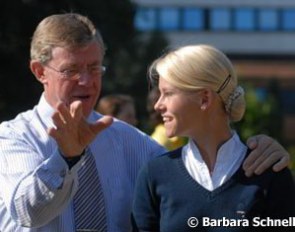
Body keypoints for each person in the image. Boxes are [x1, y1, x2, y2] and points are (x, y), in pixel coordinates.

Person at [0, 13, 290, 232]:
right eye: (71, 70)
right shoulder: (13, 139)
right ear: (40, 71)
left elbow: (196, 173)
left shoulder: (131, 143)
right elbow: (28, 214)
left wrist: (262, 149)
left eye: (93, 67)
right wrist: (66, 158)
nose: (86, 81)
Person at [132, 45, 295, 232]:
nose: (157, 105)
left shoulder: (271, 174)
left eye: (167, 93)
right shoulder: (154, 175)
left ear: (204, 99)